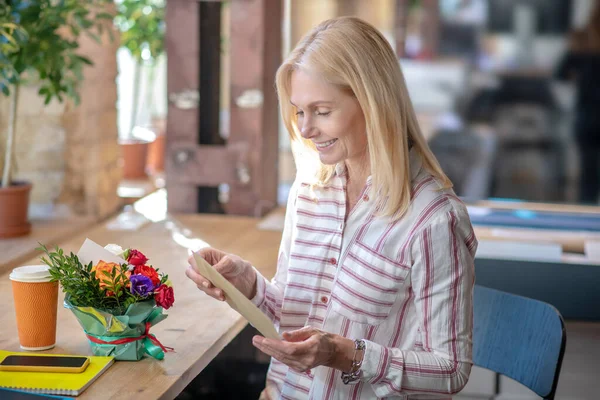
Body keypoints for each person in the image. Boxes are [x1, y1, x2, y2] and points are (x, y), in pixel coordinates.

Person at [186, 16, 477, 399]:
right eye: (299, 112)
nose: (305, 130)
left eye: (322, 111)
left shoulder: (433, 220)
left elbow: (451, 369)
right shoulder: (309, 191)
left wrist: (344, 355)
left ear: (374, 104)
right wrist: (249, 285)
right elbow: (297, 324)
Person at [556, 3, 600, 204]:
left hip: (587, 115)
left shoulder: (582, 39)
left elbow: (561, 74)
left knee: (588, 178)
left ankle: (588, 225)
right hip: (588, 115)